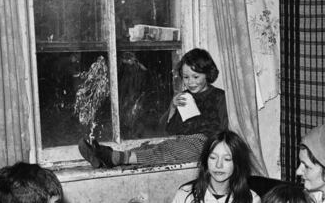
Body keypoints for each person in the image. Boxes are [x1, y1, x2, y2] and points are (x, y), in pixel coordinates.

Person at [79, 48, 228, 168]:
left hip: (207, 146)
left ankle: (115, 157)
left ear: (208, 74)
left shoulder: (219, 96)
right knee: (159, 146)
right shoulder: (185, 97)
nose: (191, 82)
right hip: (182, 141)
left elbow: (226, 130)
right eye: (186, 77)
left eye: (196, 77)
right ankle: (107, 156)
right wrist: (173, 108)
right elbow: (170, 131)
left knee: (172, 149)